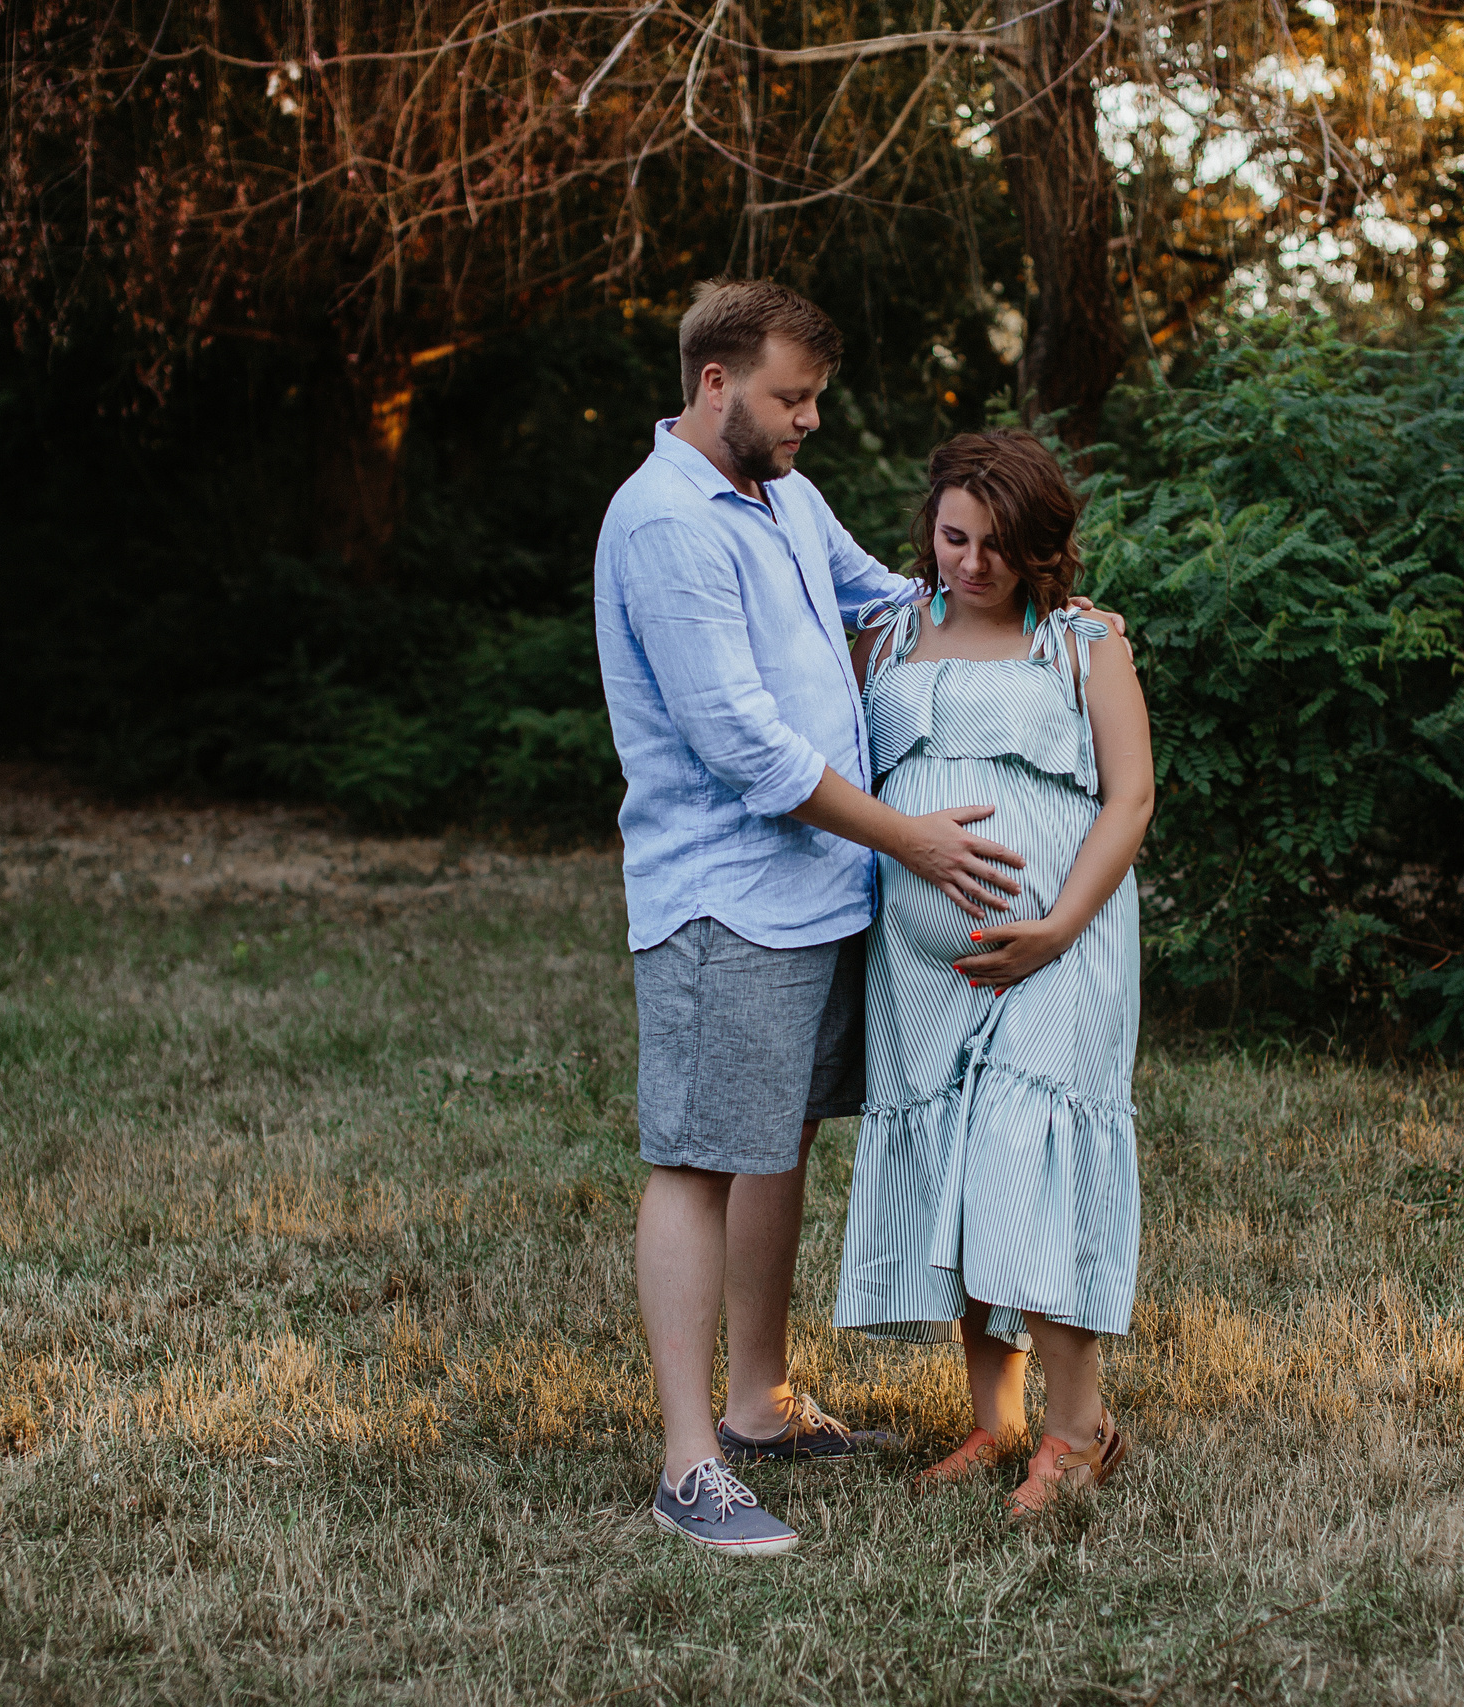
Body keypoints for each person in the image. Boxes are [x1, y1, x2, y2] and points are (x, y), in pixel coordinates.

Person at [595, 281, 1041, 1557]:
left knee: (775, 1135)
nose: (810, 422)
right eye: (793, 399)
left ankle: (757, 1403)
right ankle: (690, 1466)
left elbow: (887, 599)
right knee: (694, 1154)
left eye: (817, 400)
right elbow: (740, 742)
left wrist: (1049, 621)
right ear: (717, 383)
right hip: (718, 896)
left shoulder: (783, 497)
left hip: (809, 895)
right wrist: (909, 839)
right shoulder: (665, 524)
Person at [832, 430, 1153, 1516]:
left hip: (1059, 944)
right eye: (954, 536)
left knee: (1029, 1152)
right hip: (922, 964)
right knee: (962, 1169)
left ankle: (1077, 1432)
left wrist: (1058, 925)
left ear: (1038, 548)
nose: (971, 563)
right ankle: (994, 1419)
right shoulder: (883, 637)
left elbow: (1132, 798)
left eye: (997, 546)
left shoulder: (1080, 644)